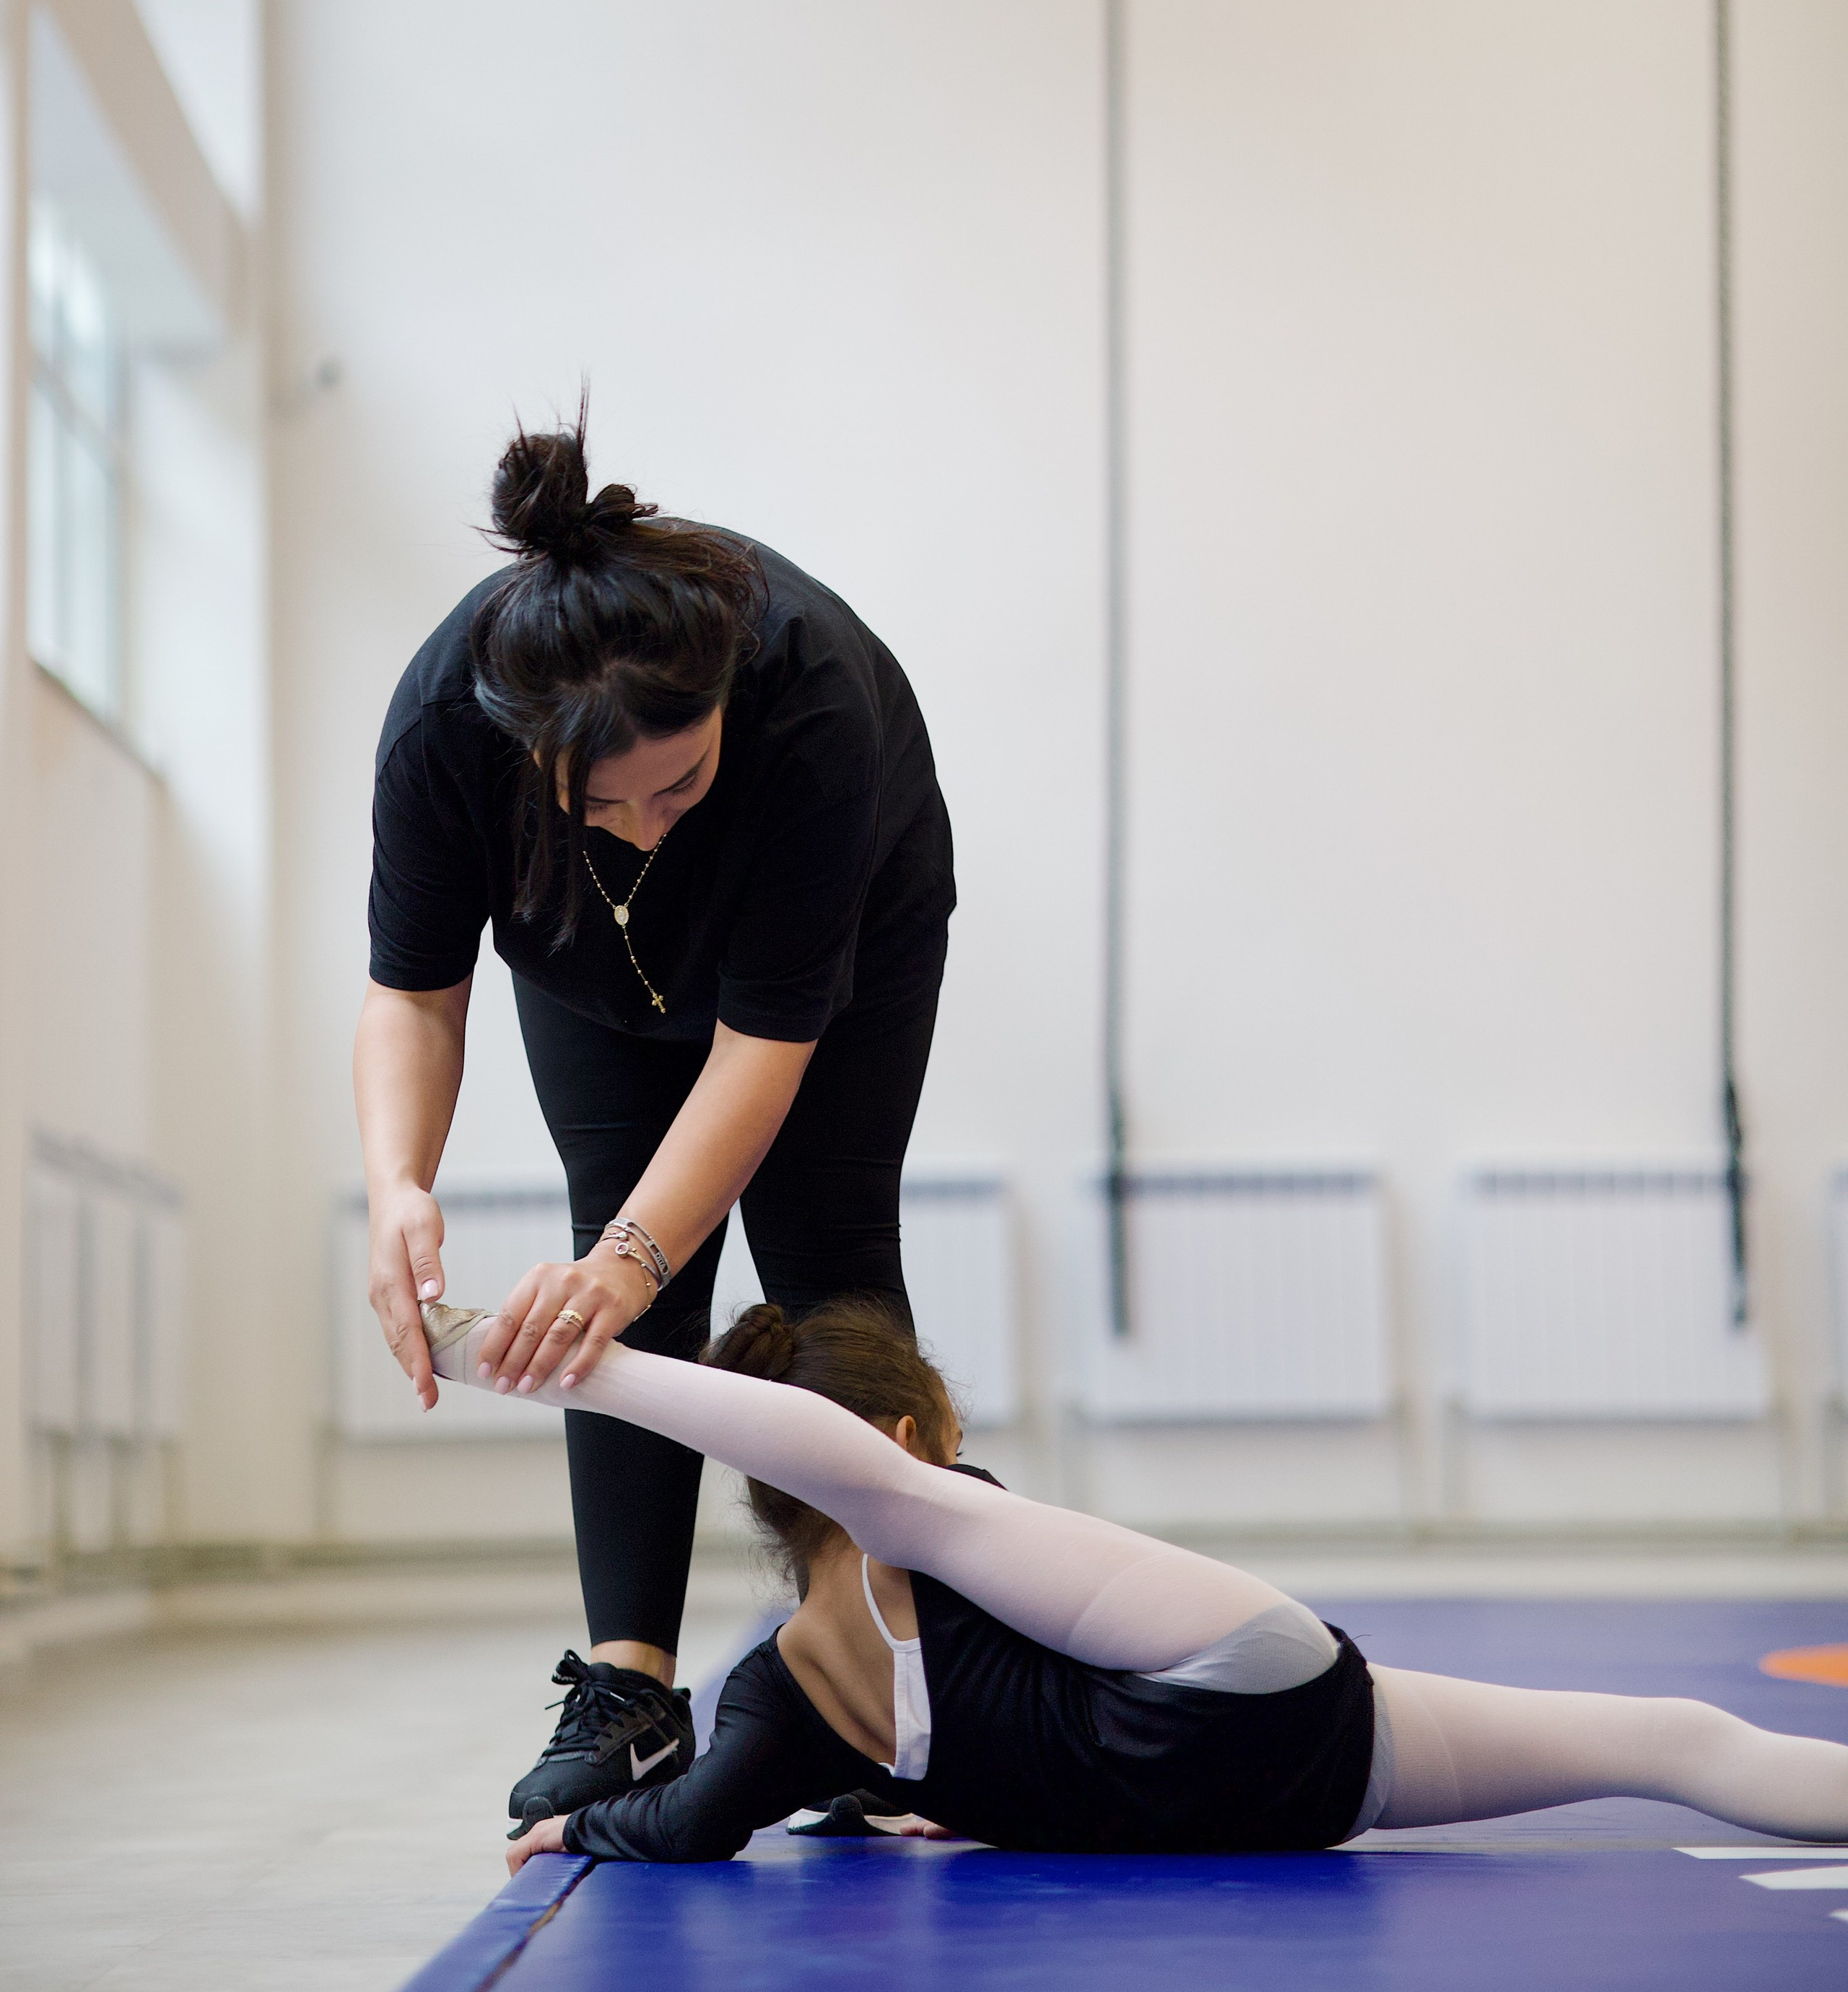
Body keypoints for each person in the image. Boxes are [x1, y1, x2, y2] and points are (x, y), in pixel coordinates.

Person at [356, 414, 954, 1829]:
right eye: (599, 799)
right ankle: (629, 1688)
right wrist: (397, 1188)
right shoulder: (447, 725)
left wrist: (629, 1263)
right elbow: (413, 993)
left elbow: (762, 1050)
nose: (642, 824)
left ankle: (891, 1682)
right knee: (604, 1252)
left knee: (826, 1251)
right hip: (583, 962)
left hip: (847, 926)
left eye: (677, 784)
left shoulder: (808, 701)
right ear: (527, 754)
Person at [406, 1296, 1848, 1869]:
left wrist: (585, 1830)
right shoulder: (923, 1510)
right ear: (907, 1437)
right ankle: (559, 1366)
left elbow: (695, 1822)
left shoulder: (779, 1695)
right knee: (1668, 1743)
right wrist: (535, 1357)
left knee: (1657, 1745)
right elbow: (875, 1485)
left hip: (1276, 1800)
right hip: (1262, 1702)